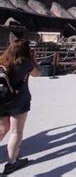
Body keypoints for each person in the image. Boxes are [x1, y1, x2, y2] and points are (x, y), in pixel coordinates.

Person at [0, 40, 40, 175]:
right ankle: (12, 163)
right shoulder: (25, 64)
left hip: (1, 100)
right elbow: (37, 73)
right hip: (19, 101)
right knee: (15, 131)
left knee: (2, 128)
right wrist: (33, 59)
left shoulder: (2, 60)